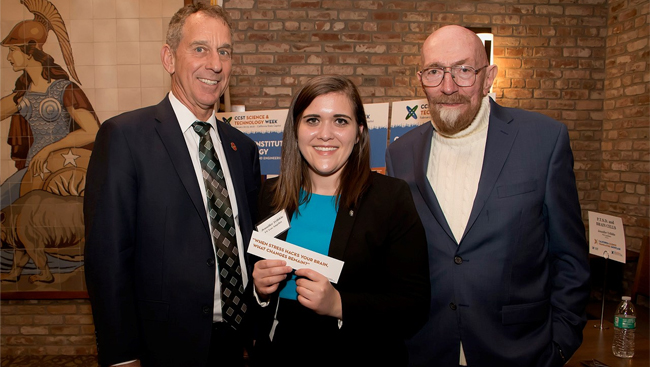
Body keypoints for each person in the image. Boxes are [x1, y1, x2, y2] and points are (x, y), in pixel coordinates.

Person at [386, 25, 591, 367]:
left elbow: (569, 257)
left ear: (488, 76)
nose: (448, 87)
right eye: (435, 72)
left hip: (521, 352)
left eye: (464, 70)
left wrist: (560, 344)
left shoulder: (543, 140)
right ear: (421, 78)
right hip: (426, 349)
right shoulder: (400, 153)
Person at [84, 4, 261, 367]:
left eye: (224, 51)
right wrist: (121, 356)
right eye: (200, 49)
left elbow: (249, 246)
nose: (215, 64)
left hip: (236, 345)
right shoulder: (124, 138)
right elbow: (107, 258)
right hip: (160, 351)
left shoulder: (242, 149)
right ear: (168, 58)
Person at [251, 75, 430, 367]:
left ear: (359, 132)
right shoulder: (272, 195)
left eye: (340, 121)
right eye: (312, 120)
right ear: (295, 129)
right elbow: (254, 288)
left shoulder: (390, 198)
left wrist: (339, 305)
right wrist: (260, 291)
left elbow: (414, 305)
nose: (325, 134)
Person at [0, 0, 100, 209]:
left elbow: (92, 132)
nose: (9, 57)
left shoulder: (64, 89)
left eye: (13, 50)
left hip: (61, 168)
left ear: (30, 50)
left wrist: (49, 149)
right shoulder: (23, 94)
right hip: (33, 169)